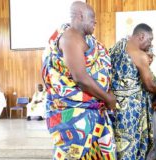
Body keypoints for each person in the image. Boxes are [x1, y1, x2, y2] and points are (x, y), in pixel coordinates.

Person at [41, 1, 116, 159]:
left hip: (94, 111)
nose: (95, 21)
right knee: (75, 154)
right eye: (92, 18)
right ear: (81, 16)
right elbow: (80, 78)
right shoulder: (70, 38)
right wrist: (108, 98)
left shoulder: (85, 39)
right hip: (75, 114)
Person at [109, 23, 156, 160]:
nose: (151, 44)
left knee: (118, 146)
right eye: (150, 40)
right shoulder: (139, 55)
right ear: (141, 36)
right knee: (133, 147)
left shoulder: (119, 46)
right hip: (132, 111)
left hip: (114, 107)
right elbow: (150, 86)